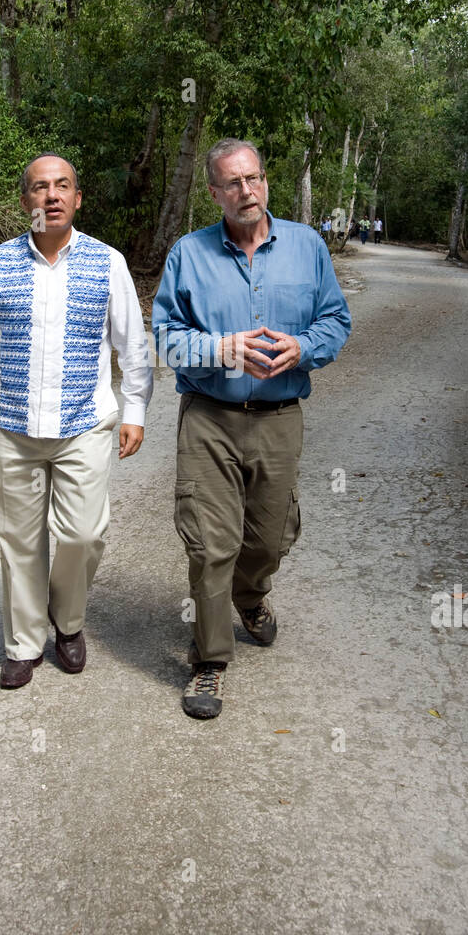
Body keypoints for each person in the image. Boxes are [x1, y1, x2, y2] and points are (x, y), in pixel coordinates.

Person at [152, 138, 351, 719]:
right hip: (210, 418)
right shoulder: (188, 254)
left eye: (255, 179)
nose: (247, 191)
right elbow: (164, 334)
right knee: (212, 543)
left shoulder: (308, 247)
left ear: (265, 182)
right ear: (214, 193)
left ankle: (252, 595)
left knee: (267, 538)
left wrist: (305, 346)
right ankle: (209, 660)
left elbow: (335, 319)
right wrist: (220, 348)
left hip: (279, 418)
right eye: (233, 183)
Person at [0, 155, 153, 689]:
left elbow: (133, 347)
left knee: (84, 534)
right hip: (12, 425)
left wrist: (134, 410)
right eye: (40, 188)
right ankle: (23, 641)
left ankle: (69, 621)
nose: (52, 196)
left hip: (84, 423)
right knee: (18, 539)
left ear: (78, 199)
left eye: (63, 187)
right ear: (26, 201)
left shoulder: (107, 263)